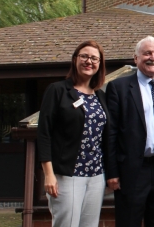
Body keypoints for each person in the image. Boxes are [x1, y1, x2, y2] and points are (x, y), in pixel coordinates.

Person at [36, 40, 108, 227]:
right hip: (67, 174)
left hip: (96, 175)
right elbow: (44, 134)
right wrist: (49, 174)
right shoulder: (58, 90)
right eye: (84, 56)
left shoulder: (100, 96)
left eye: (94, 58)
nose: (89, 61)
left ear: (99, 65)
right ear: (75, 59)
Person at [104, 36, 154, 227]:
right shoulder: (119, 88)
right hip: (132, 172)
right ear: (136, 58)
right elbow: (111, 133)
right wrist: (112, 172)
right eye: (147, 53)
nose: (152, 57)